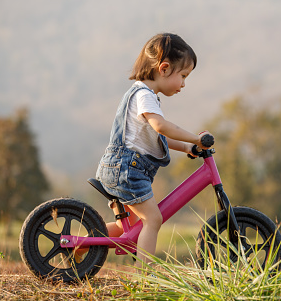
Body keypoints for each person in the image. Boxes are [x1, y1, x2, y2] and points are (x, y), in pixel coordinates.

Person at [81, 33, 212, 268]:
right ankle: (144, 279)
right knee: (153, 219)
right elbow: (162, 127)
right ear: (164, 68)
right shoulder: (144, 95)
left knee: (127, 228)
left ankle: (83, 243)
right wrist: (197, 138)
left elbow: (158, 136)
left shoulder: (145, 96)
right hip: (126, 170)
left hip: (126, 170)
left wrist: (189, 147)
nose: (183, 83)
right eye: (183, 76)